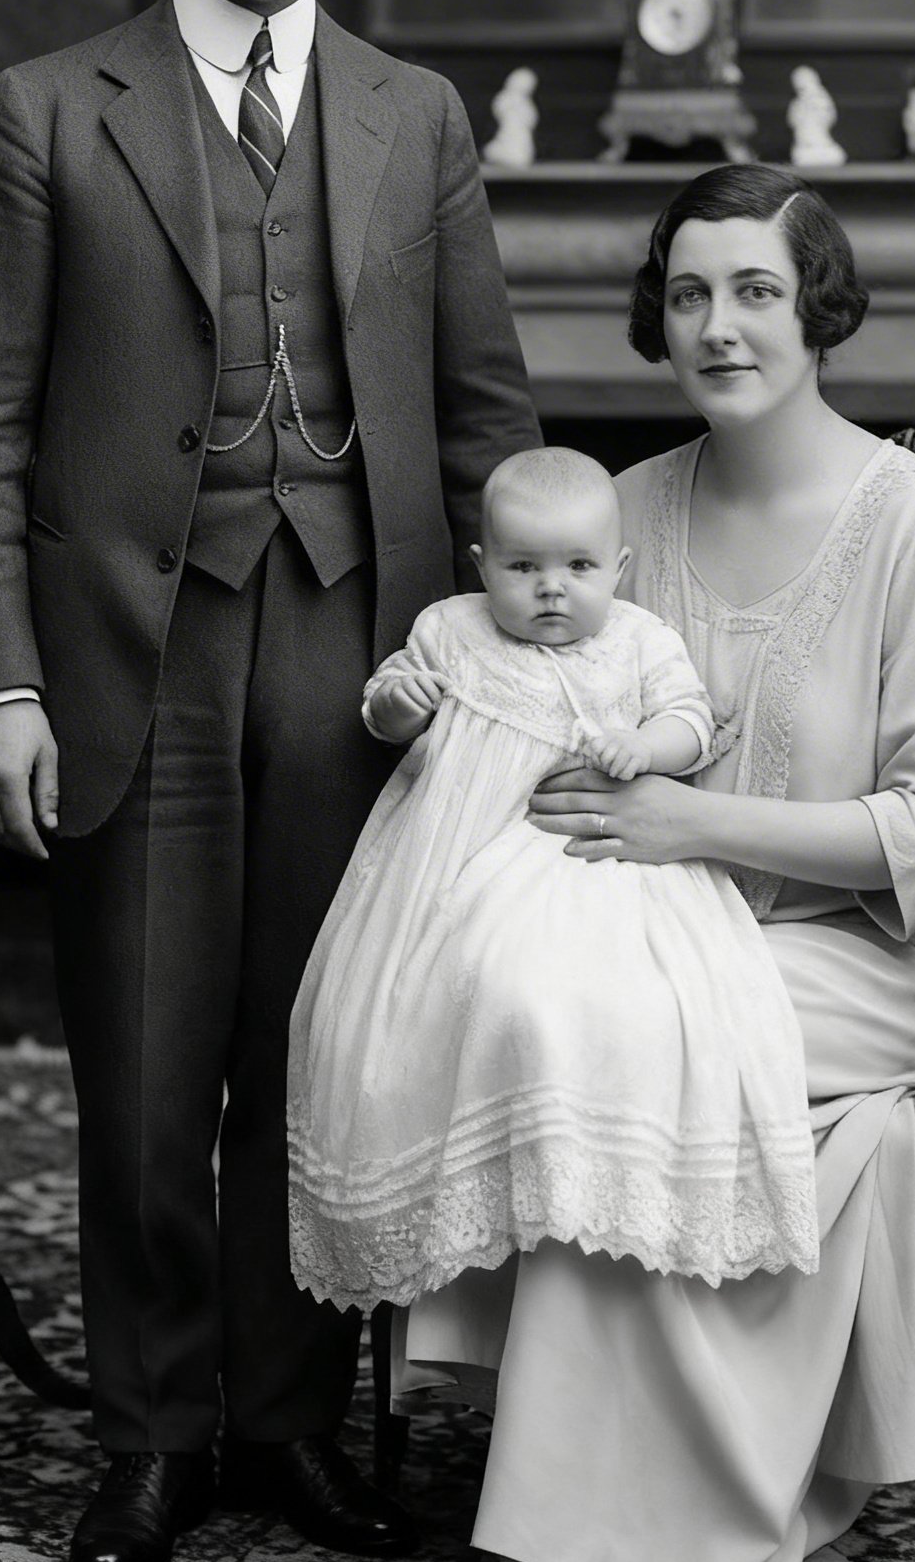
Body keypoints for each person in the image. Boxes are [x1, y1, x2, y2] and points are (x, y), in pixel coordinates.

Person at [0, 0, 539, 1562]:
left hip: (362, 641)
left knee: (318, 1055)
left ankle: (282, 1419)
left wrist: (516, 661)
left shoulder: (412, 115)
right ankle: (151, 1435)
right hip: (133, 641)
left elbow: (488, 406)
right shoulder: (47, 109)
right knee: (146, 1059)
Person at [388, 163, 915, 1562]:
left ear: (820, 313)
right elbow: (522, 711)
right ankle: (624, 1487)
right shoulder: (622, 513)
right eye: (688, 294)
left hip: (869, 959)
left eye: (756, 292)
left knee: (628, 1050)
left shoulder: (914, 522)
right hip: (644, 935)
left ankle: (541, 1546)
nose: (719, 326)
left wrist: (687, 824)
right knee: (546, 1014)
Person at [288, 445, 819, 1317]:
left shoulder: (640, 639)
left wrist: (645, 749)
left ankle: (580, 1198)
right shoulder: (450, 629)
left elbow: (691, 720)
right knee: (456, 989)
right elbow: (387, 704)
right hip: (461, 859)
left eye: (577, 567)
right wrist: (398, 706)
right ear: (481, 565)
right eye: (522, 566)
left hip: (599, 860)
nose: (551, 589)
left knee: (609, 996)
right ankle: (489, 1203)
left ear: (618, 569)